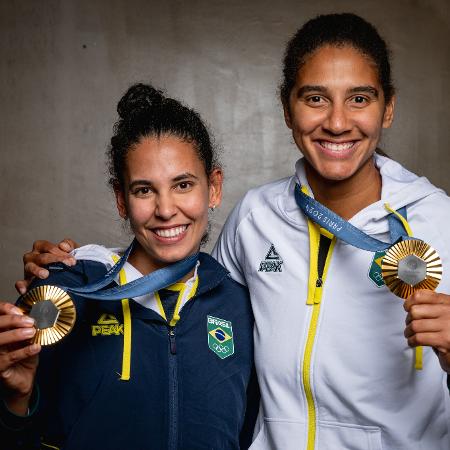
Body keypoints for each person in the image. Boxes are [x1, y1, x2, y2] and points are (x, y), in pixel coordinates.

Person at [14, 13, 450, 450]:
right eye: (315, 98)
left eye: (359, 99)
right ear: (287, 107)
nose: (337, 122)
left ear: (388, 107)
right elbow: (185, 284)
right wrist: (81, 268)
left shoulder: (440, 220)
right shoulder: (256, 216)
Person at [0, 83, 256, 449]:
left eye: (183, 185)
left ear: (213, 188)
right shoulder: (71, 293)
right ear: (121, 199)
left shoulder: (239, 305)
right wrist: (14, 399)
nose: (166, 210)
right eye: (144, 190)